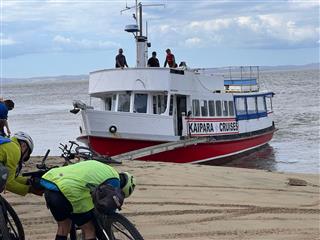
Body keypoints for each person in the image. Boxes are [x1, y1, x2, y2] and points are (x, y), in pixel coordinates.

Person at [40, 160, 136, 240]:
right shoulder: (115, 182)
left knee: (63, 226)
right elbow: (109, 208)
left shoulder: (104, 169)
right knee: (89, 229)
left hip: (51, 185)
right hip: (69, 190)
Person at [0, 131, 41, 196]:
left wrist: (27, 181)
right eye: (26, 157)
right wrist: (30, 189)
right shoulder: (15, 150)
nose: (22, 160)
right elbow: (8, 183)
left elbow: (11, 177)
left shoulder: (6, 143)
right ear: (24, 146)